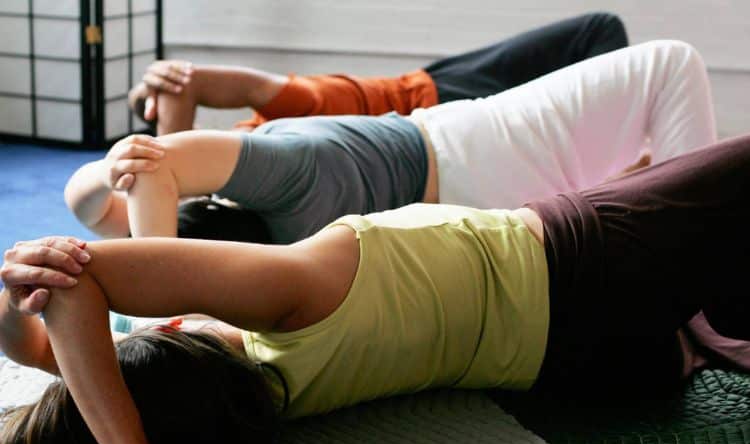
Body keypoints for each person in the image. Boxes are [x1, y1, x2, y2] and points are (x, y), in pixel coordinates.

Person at [3, 133, 750, 444]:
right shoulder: (286, 299)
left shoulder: (265, 391)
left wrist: (15, 302)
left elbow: (49, 347)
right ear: (168, 331)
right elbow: (80, 283)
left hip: (586, 363)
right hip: (588, 265)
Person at [66, 40, 716, 244]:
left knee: (644, 182)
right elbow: (151, 170)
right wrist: (157, 293)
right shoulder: (286, 170)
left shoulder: (274, 258)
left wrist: (111, 171)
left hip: (484, 210)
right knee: (669, 62)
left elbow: (91, 203)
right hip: (472, 146)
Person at [129, 13, 628, 136]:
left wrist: (143, 94)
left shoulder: (300, 106)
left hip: (440, 90)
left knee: (596, 36)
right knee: (596, 35)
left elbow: (186, 82)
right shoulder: (279, 140)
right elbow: (187, 85)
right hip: (446, 119)